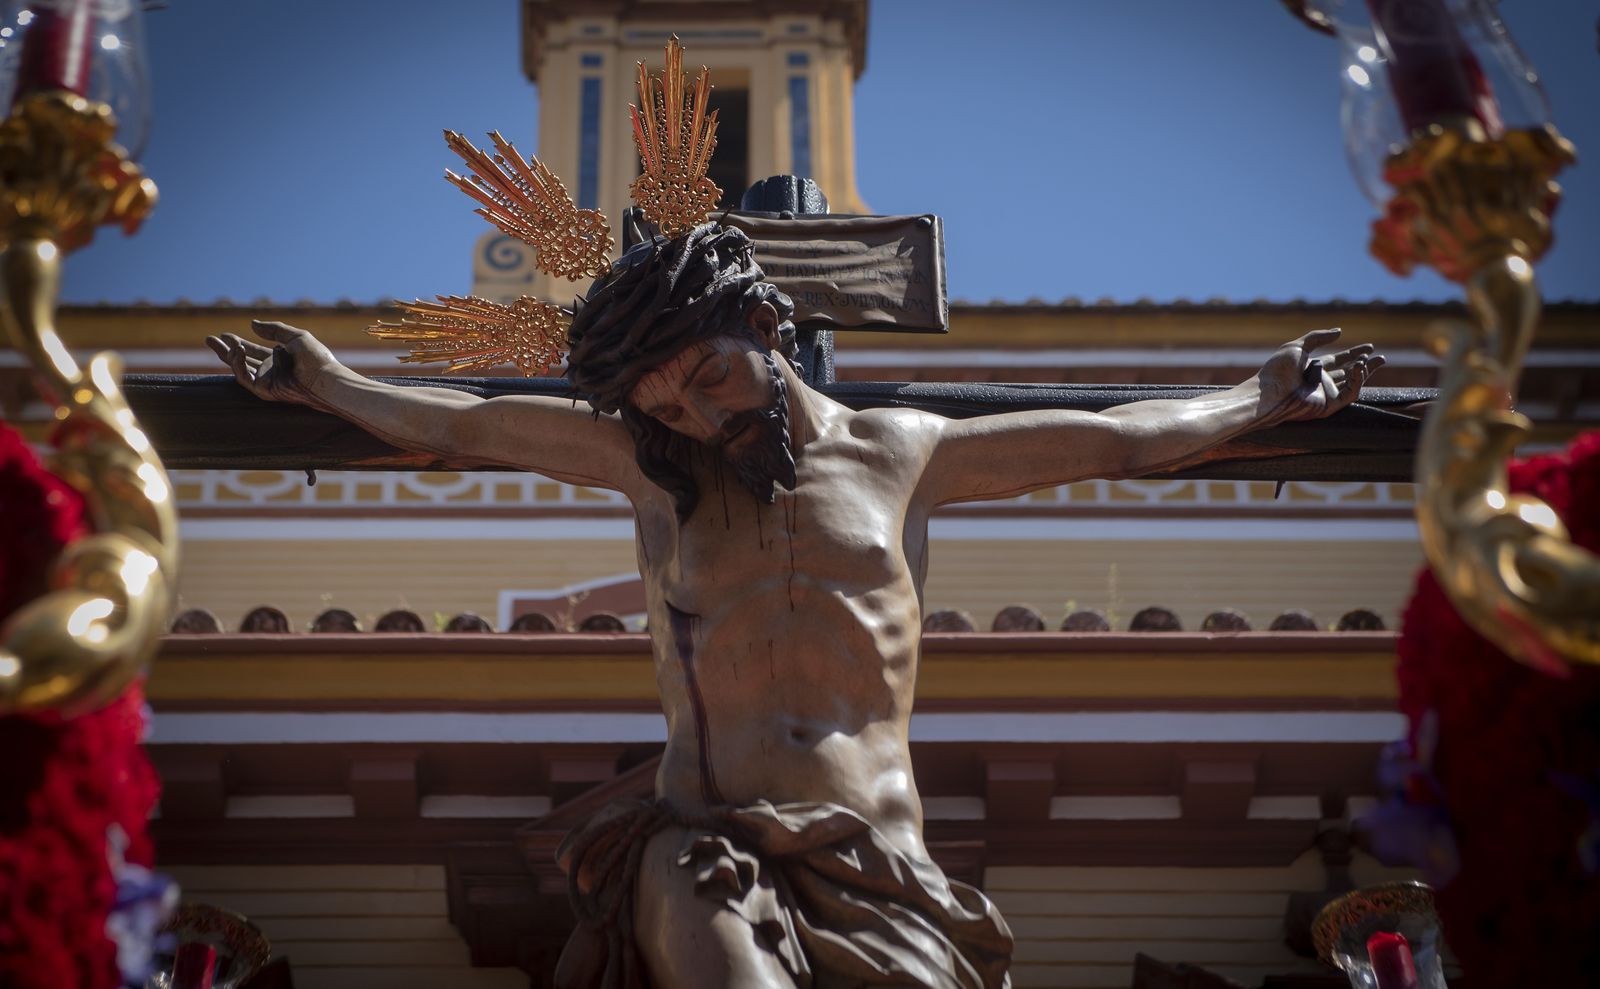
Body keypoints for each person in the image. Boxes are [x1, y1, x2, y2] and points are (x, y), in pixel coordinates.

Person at [206, 223, 1383, 989]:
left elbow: (1120, 440)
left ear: (766, 327)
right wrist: (326, 379)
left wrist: (1257, 393)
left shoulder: (901, 451)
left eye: (711, 376)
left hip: (884, 864)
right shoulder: (646, 466)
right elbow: (463, 425)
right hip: (701, 841)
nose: (701, 419)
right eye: (666, 405)